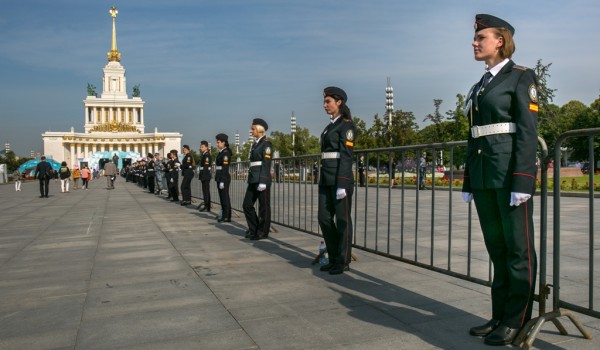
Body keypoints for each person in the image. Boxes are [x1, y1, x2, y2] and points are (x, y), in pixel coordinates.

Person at [461, 14, 538, 346]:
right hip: (484, 176)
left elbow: (527, 133)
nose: (475, 42)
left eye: (481, 37)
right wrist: (468, 180)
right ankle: (498, 315)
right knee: (497, 249)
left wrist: (523, 180)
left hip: (508, 175)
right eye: (475, 37)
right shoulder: (480, 86)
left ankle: (515, 320)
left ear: (500, 41)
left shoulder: (520, 78)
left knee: (517, 250)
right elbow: (474, 136)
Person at [318, 86, 356, 275]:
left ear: (339, 102)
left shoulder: (346, 125)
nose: (325, 105)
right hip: (326, 178)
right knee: (324, 218)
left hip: (340, 179)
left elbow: (346, 156)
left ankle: (343, 260)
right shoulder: (329, 127)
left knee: (343, 221)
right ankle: (333, 257)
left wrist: (342, 183)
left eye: (328, 101)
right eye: (325, 102)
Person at [243, 118, 273, 240]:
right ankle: (254, 228)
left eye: (253, 128)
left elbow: (266, 163)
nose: (251, 130)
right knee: (247, 205)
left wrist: (263, 180)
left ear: (260, 130)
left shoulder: (266, 144)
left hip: (261, 179)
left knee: (264, 207)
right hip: (253, 178)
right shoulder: (255, 144)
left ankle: (263, 232)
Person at [215, 133, 232, 222]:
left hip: (223, 177)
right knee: (222, 197)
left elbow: (225, 168)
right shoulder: (221, 152)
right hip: (220, 176)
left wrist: (222, 180)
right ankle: (225, 214)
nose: (217, 144)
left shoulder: (226, 153)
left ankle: (226, 216)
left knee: (225, 197)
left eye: (218, 142)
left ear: (223, 142)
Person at [197, 141, 212, 211]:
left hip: (205, 176)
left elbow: (206, 167)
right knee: (205, 191)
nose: (201, 148)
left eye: (202, 147)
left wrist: (203, 176)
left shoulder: (207, 156)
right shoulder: (204, 155)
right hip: (204, 175)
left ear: (206, 147)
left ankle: (207, 207)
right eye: (201, 146)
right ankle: (206, 205)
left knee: (206, 192)